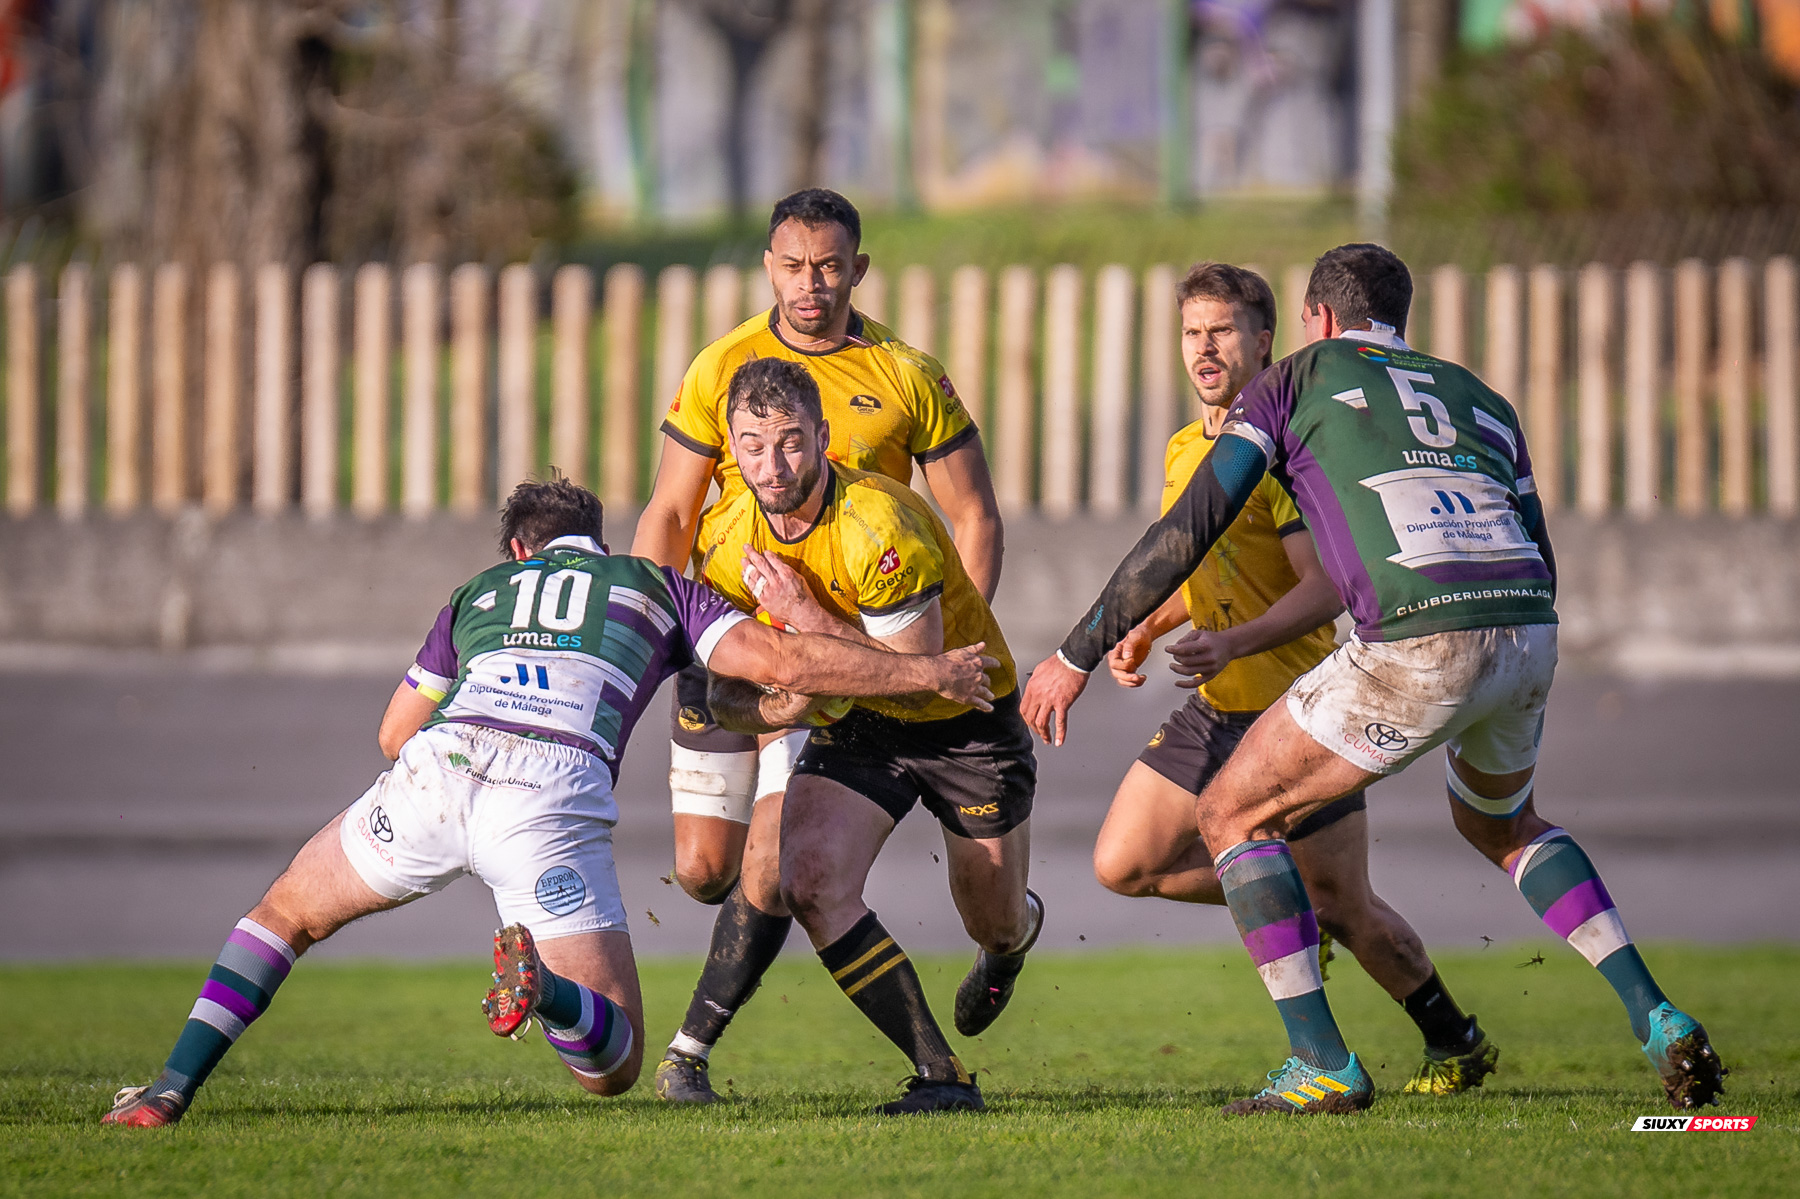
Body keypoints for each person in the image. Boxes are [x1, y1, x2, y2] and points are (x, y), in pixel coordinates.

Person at [1021, 244, 1725, 1116]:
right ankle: (1655, 1013)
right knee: (1502, 824)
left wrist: (1077, 650)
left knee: (1232, 813)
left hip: (1413, 639)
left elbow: (1184, 534)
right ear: (1400, 318)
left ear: (1311, 322)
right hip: (1527, 625)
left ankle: (1322, 1061)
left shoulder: (1291, 384)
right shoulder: (1478, 395)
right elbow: (1538, 545)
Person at [102, 478, 998, 1128]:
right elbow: (783, 667)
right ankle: (553, 993)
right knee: (614, 1068)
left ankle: (169, 1089)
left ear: (519, 552)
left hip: (441, 766)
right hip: (548, 793)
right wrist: (925, 672)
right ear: (595, 542)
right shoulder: (653, 585)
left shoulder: (477, 594)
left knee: (282, 915)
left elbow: (391, 732)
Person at [631, 187, 1003, 1102]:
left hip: (847, 652)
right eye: (794, 266)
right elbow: (673, 510)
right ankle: (716, 1011)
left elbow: (973, 517)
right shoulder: (723, 366)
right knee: (703, 870)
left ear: (858, 269)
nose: (811, 285)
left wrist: (925, 657)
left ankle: (689, 1055)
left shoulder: (905, 371)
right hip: (730, 639)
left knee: (777, 861)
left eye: (830, 266)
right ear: (769, 267)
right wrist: (650, 641)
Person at [1092, 262, 1498, 1096]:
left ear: (1266, 340)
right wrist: (1148, 625)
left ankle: (1453, 1038)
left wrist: (1232, 640)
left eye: (1223, 331)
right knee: (1122, 863)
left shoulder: (1285, 444)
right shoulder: (1183, 449)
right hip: (1216, 707)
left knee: (1352, 909)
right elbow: (1210, 567)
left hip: (1301, 707)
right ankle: (1289, 911)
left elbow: (1322, 588)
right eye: (1191, 332)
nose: (1204, 348)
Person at [678, 357, 1039, 1115]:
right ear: (730, 452)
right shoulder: (727, 538)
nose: (770, 466)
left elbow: (924, 675)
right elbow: (723, 693)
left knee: (993, 920)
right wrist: (781, 709)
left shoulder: (881, 522)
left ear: (824, 437)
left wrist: (806, 622)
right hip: (864, 724)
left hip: (967, 725)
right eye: (750, 446)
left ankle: (1014, 941)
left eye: (789, 443)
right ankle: (941, 1075)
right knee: (807, 878)